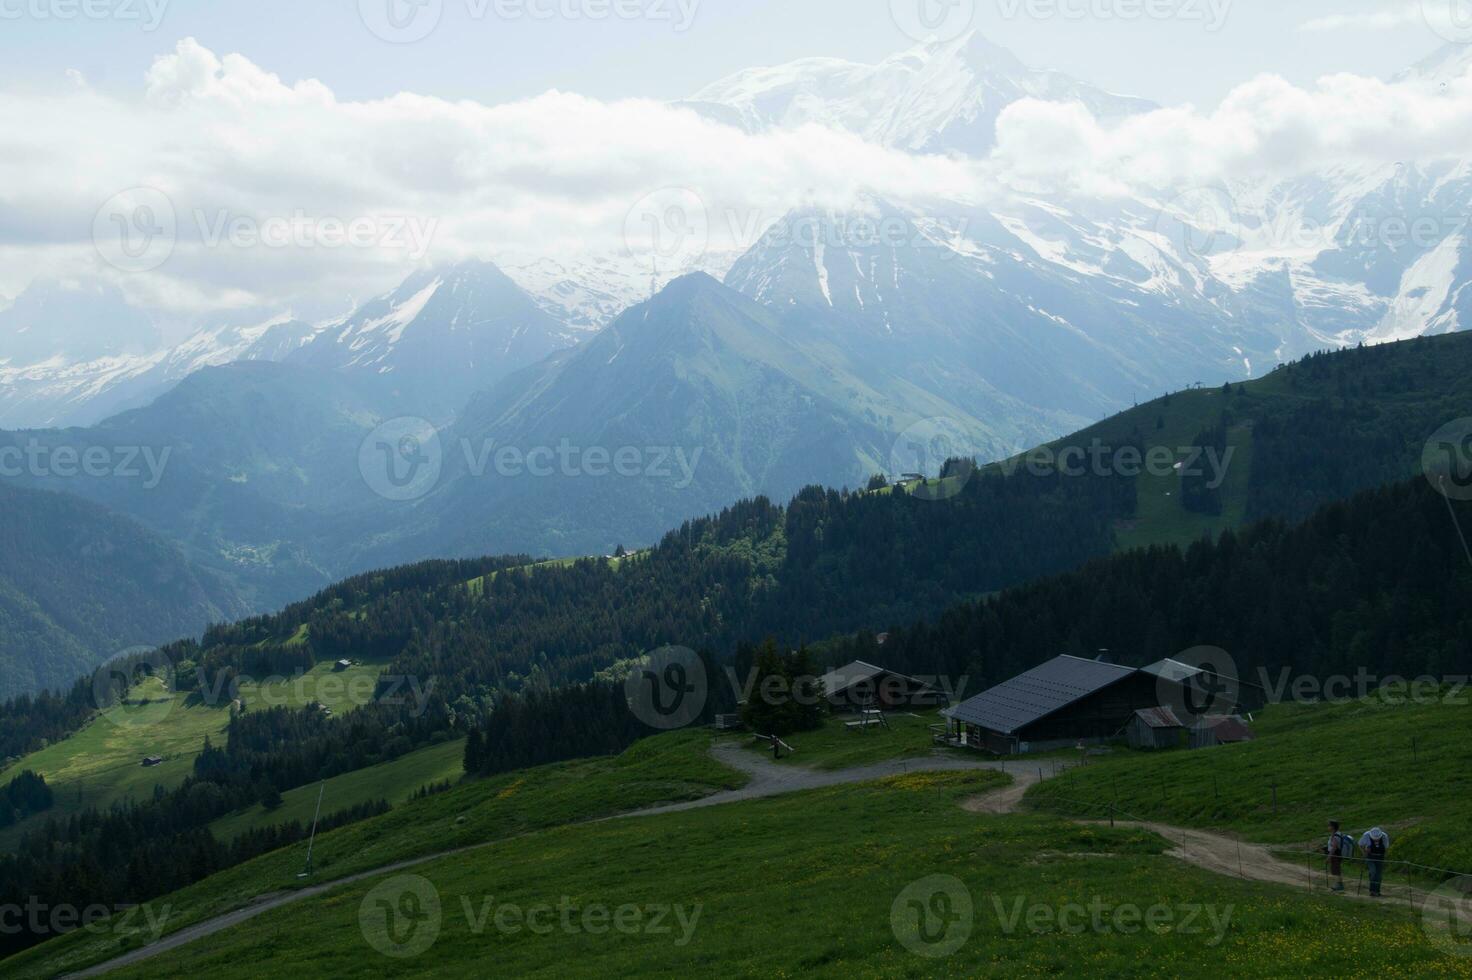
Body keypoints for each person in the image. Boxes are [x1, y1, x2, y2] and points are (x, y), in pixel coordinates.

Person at [1359, 827, 1391, 897]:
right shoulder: (1366, 835)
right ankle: (1372, 890)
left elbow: (1386, 848)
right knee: (1373, 871)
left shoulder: (1384, 836)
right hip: (1370, 857)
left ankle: (1377, 891)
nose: (1376, 840)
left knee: (1378, 875)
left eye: (1377, 839)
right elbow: (1360, 844)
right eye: (1374, 839)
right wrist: (1364, 853)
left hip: (1380, 857)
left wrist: (1385, 857)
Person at [1322, 820, 1349, 892]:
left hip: (1335, 855)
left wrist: (1328, 857)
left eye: (1329, 825)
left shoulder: (1335, 835)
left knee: (1336, 870)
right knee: (1336, 870)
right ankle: (1338, 884)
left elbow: (1334, 847)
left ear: (1332, 827)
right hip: (1337, 855)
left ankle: (1339, 885)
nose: (1328, 827)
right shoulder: (1337, 834)